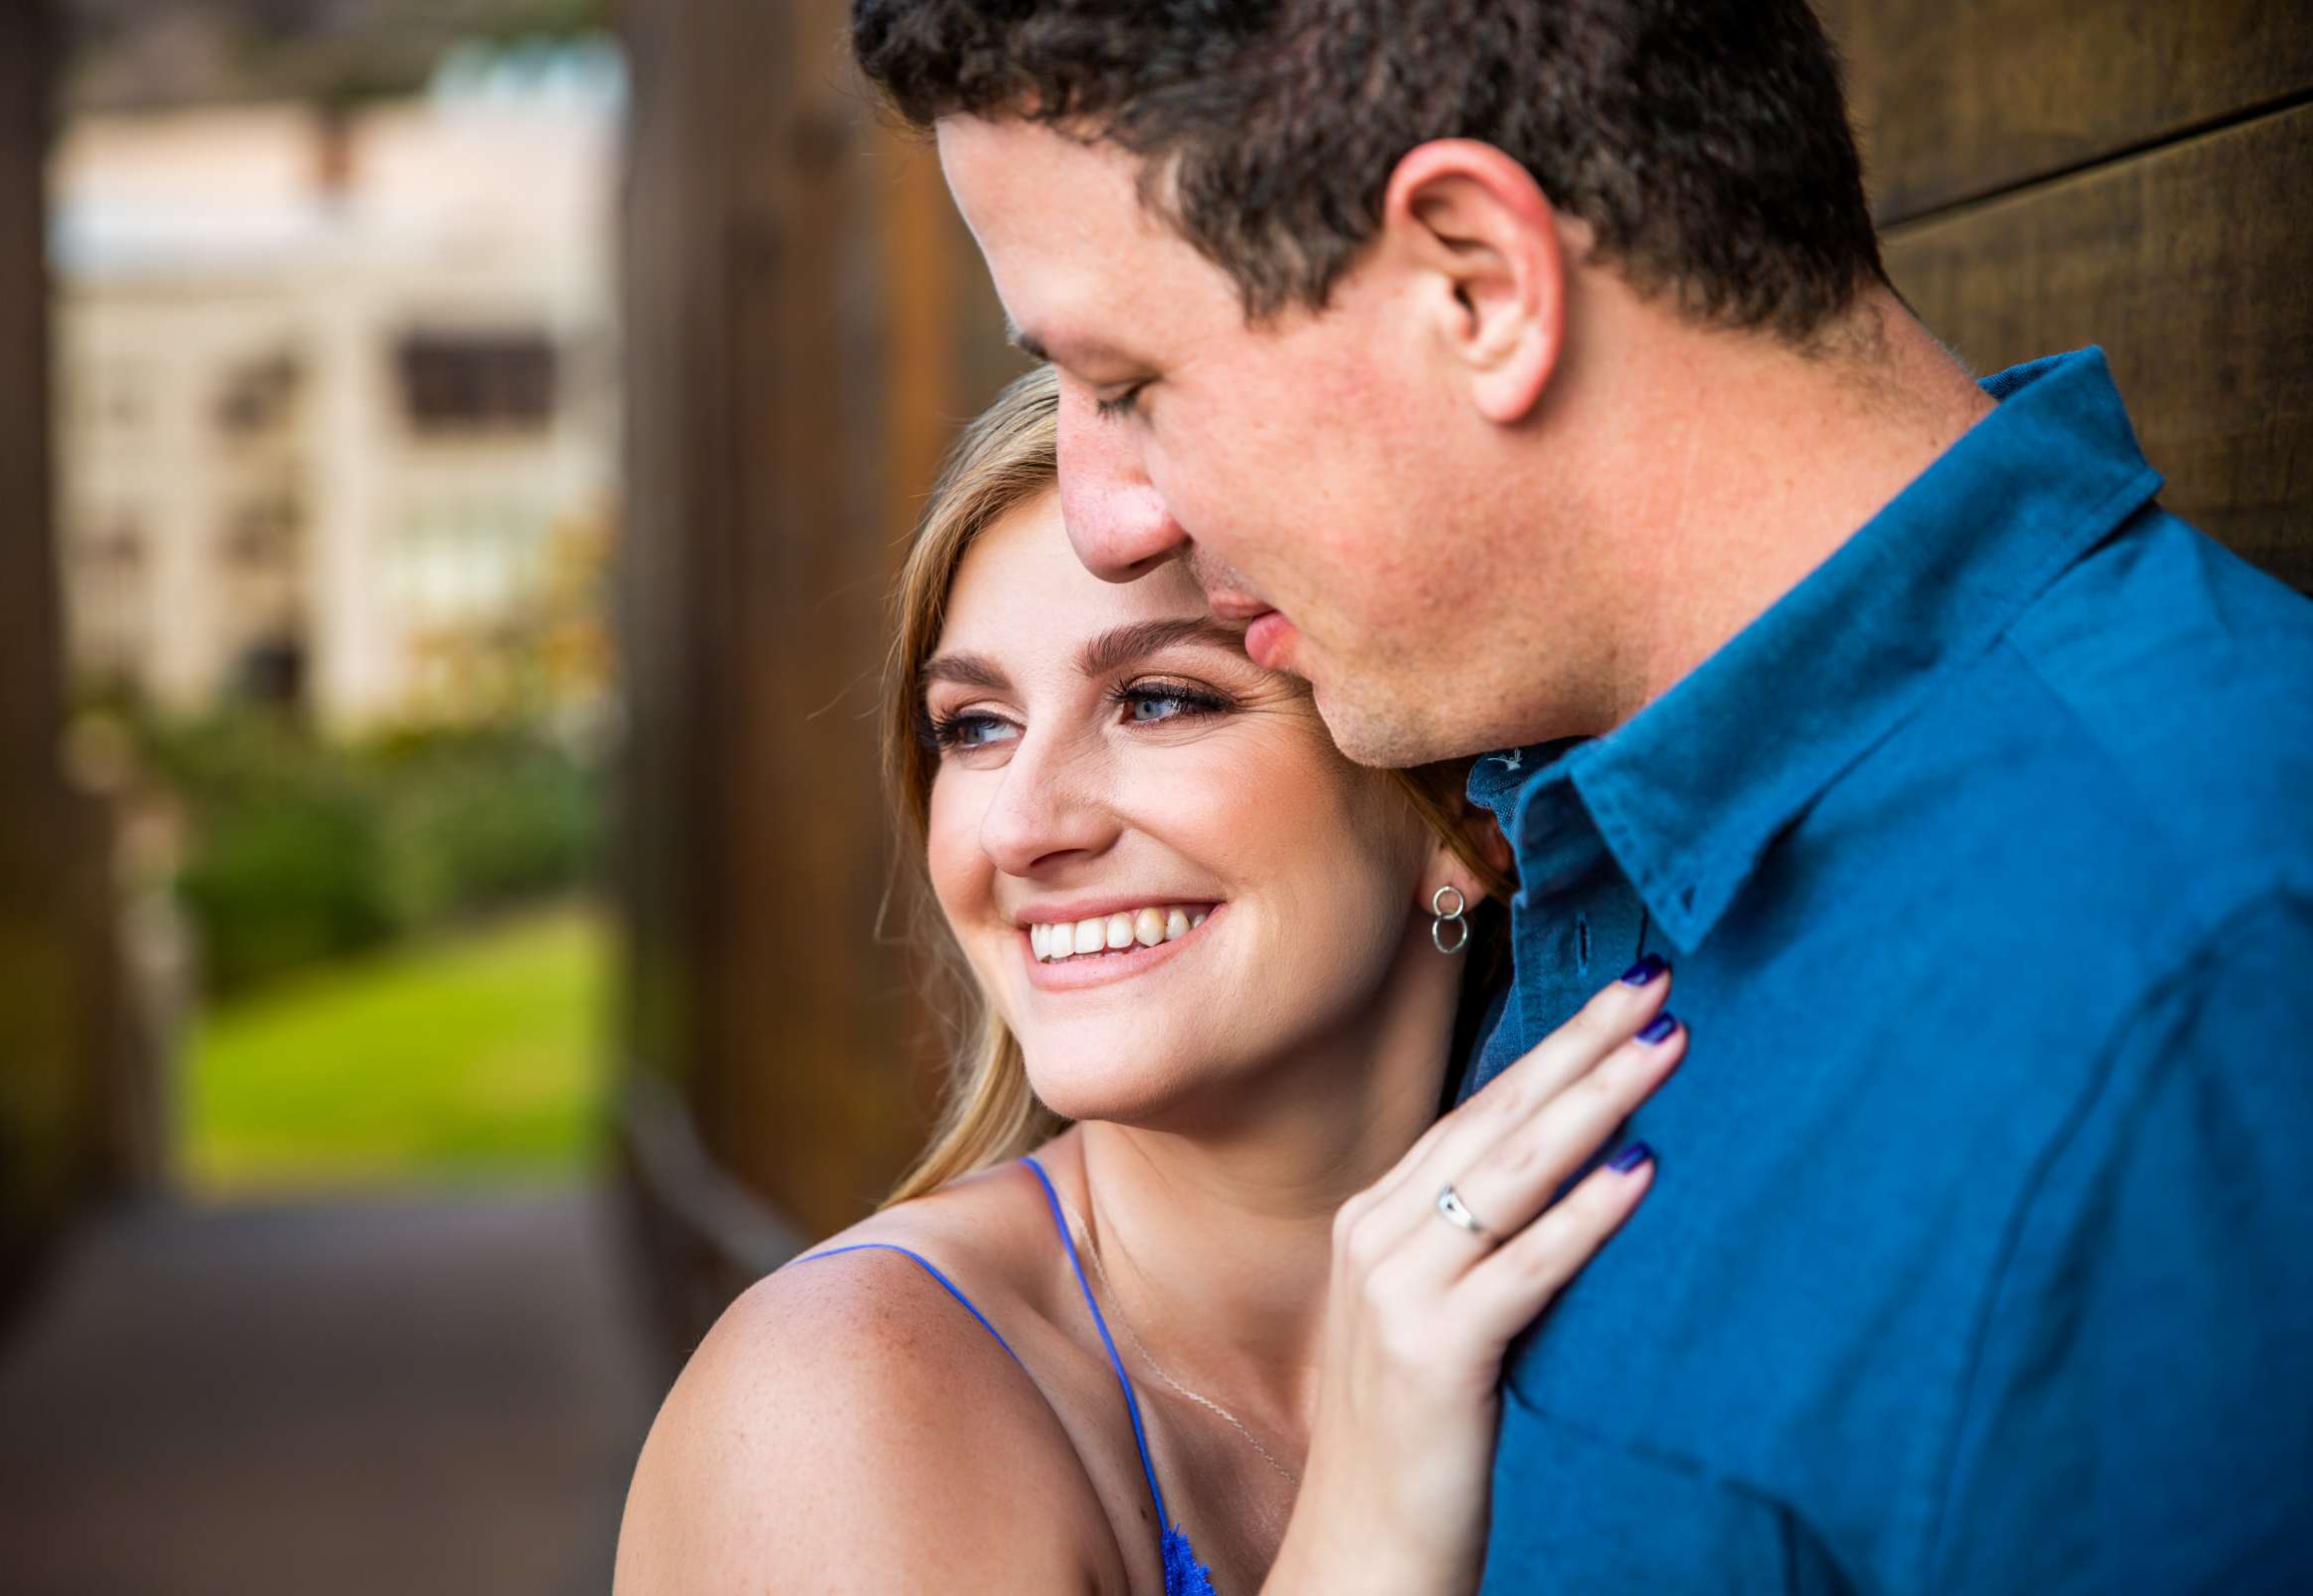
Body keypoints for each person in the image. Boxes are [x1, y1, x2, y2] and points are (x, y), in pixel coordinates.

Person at [850, 2, 2313, 1591]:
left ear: (1478, 283)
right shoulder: (1576, 835)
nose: (1106, 513)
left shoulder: (2197, 998)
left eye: (1124, 380)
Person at [614, 367, 1690, 1593]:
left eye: (1158, 700)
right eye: (973, 726)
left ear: (1461, 820)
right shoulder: (839, 1398)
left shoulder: (1641, 1299)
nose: (1022, 824)